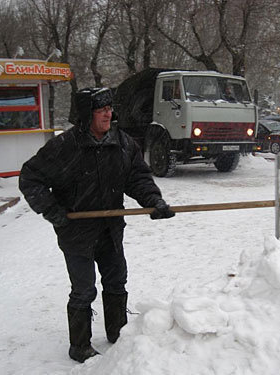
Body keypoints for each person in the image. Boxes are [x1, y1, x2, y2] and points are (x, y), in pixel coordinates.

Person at [18, 87, 175, 363]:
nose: (108, 113)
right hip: (76, 231)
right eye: (101, 109)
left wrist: (154, 201)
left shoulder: (122, 143)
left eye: (109, 108)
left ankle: (117, 331)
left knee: (116, 279)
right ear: (85, 114)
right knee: (84, 288)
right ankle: (79, 346)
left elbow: (137, 177)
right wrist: (51, 210)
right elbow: (31, 178)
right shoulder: (65, 147)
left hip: (110, 228)